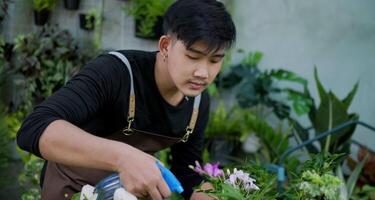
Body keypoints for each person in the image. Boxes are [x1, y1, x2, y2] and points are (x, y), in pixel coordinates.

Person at [16, 0, 236, 199]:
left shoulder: (197, 103)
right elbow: (34, 128)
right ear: (165, 46)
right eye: (193, 57)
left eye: (215, 60)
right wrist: (122, 157)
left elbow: (185, 176)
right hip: (69, 190)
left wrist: (206, 191)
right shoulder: (116, 72)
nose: (203, 73)